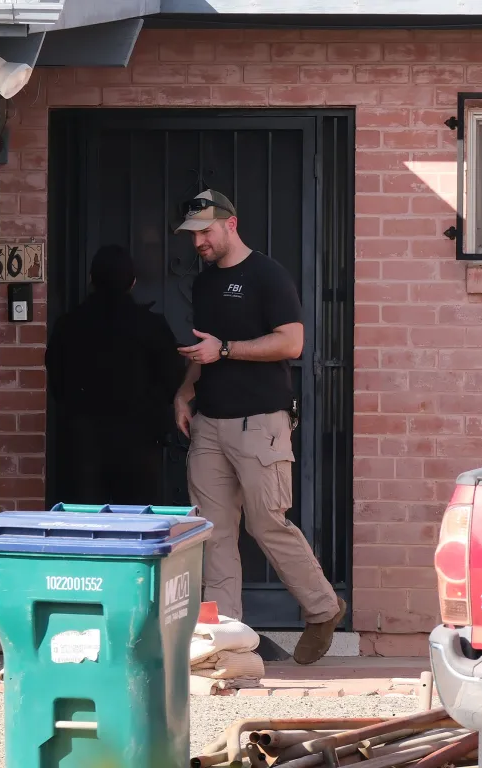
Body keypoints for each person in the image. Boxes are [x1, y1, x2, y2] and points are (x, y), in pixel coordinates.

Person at [173, 189, 346, 666]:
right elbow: (204, 349)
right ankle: (224, 643)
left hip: (260, 423)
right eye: (192, 235)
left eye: (205, 232)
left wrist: (225, 350)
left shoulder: (268, 275)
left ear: (231, 224)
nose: (198, 242)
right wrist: (185, 391)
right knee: (212, 532)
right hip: (209, 422)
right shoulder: (205, 284)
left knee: (267, 522)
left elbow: (291, 343)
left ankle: (323, 609)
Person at [46, 244, 186, 505]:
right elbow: (172, 378)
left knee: (86, 522)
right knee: (136, 524)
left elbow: (56, 380)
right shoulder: (152, 326)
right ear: (132, 282)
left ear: (91, 280)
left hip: (83, 441)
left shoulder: (68, 325)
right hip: (140, 442)